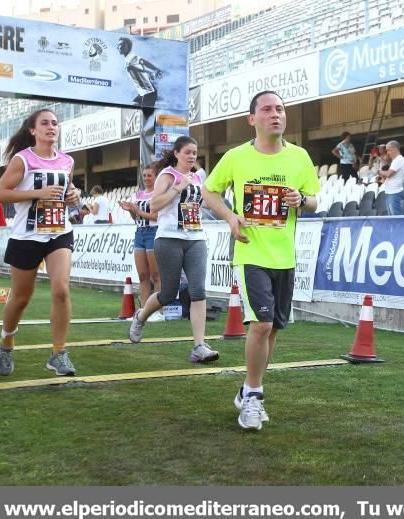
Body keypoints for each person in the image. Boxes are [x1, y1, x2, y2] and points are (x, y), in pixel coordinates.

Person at [201, 90, 319, 431]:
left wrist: (301, 200)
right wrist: (229, 216)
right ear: (252, 119)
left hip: (285, 256)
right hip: (251, 252)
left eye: (280, 109)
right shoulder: (237, 157)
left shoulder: (299, 157)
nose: (275, 114)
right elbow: (209, 191)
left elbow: (314, 200)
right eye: (267, 109)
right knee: (261, 325)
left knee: (273, 330)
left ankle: (248, 389)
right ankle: (254, 396)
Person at [0, 109, 81, 377]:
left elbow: (67, 191)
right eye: (44, 123)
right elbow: (0, 193)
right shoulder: (23, 160)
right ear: (33, 130)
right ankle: (6, 344)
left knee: (61, 289)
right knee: (20, 298)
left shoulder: (67, 160)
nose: (51, 127)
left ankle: (59, 352)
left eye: (55, 123)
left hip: (59, 232)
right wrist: (38, 193)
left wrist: (73, 194)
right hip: (26, 236)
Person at [128, 136, 217, 365]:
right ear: (176, 153)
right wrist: (178, 188)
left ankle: (199, 346)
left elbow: (205, 202)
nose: (192, 156)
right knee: (168, 293)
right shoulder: (168, 175)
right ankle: (141, 316)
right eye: (187, 152)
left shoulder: (197, 177)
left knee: (198, 290)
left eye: (195, 152)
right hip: (169, 238)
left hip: (196, 237)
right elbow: (155, 205)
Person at [118, 164, 161, 310]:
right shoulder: (139, 194)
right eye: (144, 176)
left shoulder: (158, 194)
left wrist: (138, 211)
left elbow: (156, 217)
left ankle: (158, 311)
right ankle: (144, 310)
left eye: (150, 175)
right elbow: (136, 218)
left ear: (156, 177)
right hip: (140, 232)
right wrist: (130, 210)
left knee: (156, 276)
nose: (147, 178)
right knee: (143, 275)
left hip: (153, 232)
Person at [117, 36, 163, 107]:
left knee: (144, 115)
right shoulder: (128, 59)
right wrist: (155, 69)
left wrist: (153, 71)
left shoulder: (131, 58)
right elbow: (142, 63)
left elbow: (141, 63)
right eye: (118, 45)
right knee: (132, 107)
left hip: (148, 94)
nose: (119, 47)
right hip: (143, 93)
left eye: (121, 45)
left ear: (127, 46)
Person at [378, 140, 404, 216]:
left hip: (394, 192)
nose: (387, 153)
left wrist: (379, 171)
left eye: (388, 150)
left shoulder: (398, 160)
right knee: (392, 217)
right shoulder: (396, 160)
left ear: (395, 149)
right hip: (391, 192)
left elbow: (388, 174)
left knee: (396, 217)